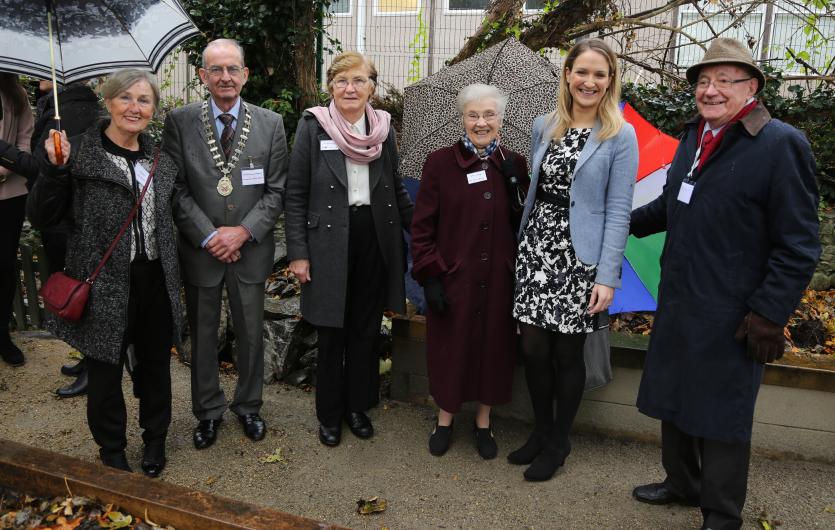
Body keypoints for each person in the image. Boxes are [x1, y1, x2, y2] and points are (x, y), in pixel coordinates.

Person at [629, 38, 820, 530]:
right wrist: (621, 223)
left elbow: (799, 244)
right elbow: (673, 203)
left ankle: (720, 512)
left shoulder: (779, 145)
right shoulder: (696, 135)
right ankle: (682, 484)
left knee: (721, 415)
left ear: (751, 87)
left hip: (735, 312)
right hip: (681, 298)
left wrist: (769, 314)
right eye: (703, 81)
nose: (710, 90)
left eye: (724, 80)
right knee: (675, 399)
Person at [28, 69, 182, 477]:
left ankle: (155, 439)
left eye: (144, 100)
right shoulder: (76, 154)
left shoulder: (161, 159)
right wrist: (54, 170)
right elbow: (43, 216)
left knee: (154, 367)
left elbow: (171, 217)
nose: (135, 107)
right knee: (104, 372)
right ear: (109, 102)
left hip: (154, 279)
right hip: (103, 285)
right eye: (126, 98)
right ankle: (112, 448)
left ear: (153, 109)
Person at [510, 38, 638, 481]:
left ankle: (560, 440)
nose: (589, 81)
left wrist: (607, 275)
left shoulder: (619, 134)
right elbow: (534, 189)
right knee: (532, 349)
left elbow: (619, 209)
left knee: (567, 354)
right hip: (536, 250)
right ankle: (540, 430)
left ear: (610, 81)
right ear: (567, 74)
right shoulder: (544, 124)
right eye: (581, 71)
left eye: (599, 74)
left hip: (579, 257)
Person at [163, 38, 288, 450]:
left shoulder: (271, 124)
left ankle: (249, 406)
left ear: (245, 74)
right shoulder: (179, 122)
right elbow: (176, 188)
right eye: (215, 70)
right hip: (202, 250)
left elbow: (277, 191)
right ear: (202, 76)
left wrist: (243, 231)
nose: (225, 77)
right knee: (202, 334)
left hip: (250, 249)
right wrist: (209, 234)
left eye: (233, 68)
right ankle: (208, 412)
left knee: (251, 332)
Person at [285, 51, 413, 447]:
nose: (350, 88)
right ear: (331, 87)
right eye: (341, 81)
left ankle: (358, 407)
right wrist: (299, 253)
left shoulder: (384, 129)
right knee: (331, 331)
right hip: (327, 240)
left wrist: (426, 234)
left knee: (366, 329)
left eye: (358, 81)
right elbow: (295, 194)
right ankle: (329, 415)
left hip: (374, 237)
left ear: (372, 87)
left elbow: (395, 185)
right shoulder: (313, 126)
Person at [410, 83, 528, 459]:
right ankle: (444, 420)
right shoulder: (439, 162)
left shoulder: (515, 163)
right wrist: (430, 276)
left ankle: (483, 422)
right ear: (462, 118)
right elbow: (422, 226)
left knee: (494, 350)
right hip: (454, 278)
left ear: (501, 119)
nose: (481, 122)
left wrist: (514, 186)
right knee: (451, 349)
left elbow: (522, 223)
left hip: (497, 279)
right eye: (473, 115)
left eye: (489, 115)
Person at [30, 79, 102, 398]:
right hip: (61, 217)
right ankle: (87, 358)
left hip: (69, 220)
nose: (36, 78)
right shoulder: (55, 104)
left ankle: (93, 367)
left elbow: (40, 164)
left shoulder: (72, 108)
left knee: (82, 295)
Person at [0, 74, 38, 367]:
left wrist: (7, 167)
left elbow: (25, 139)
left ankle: (2, 335)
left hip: (9, 194)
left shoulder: (15, 93)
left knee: (4, 265)